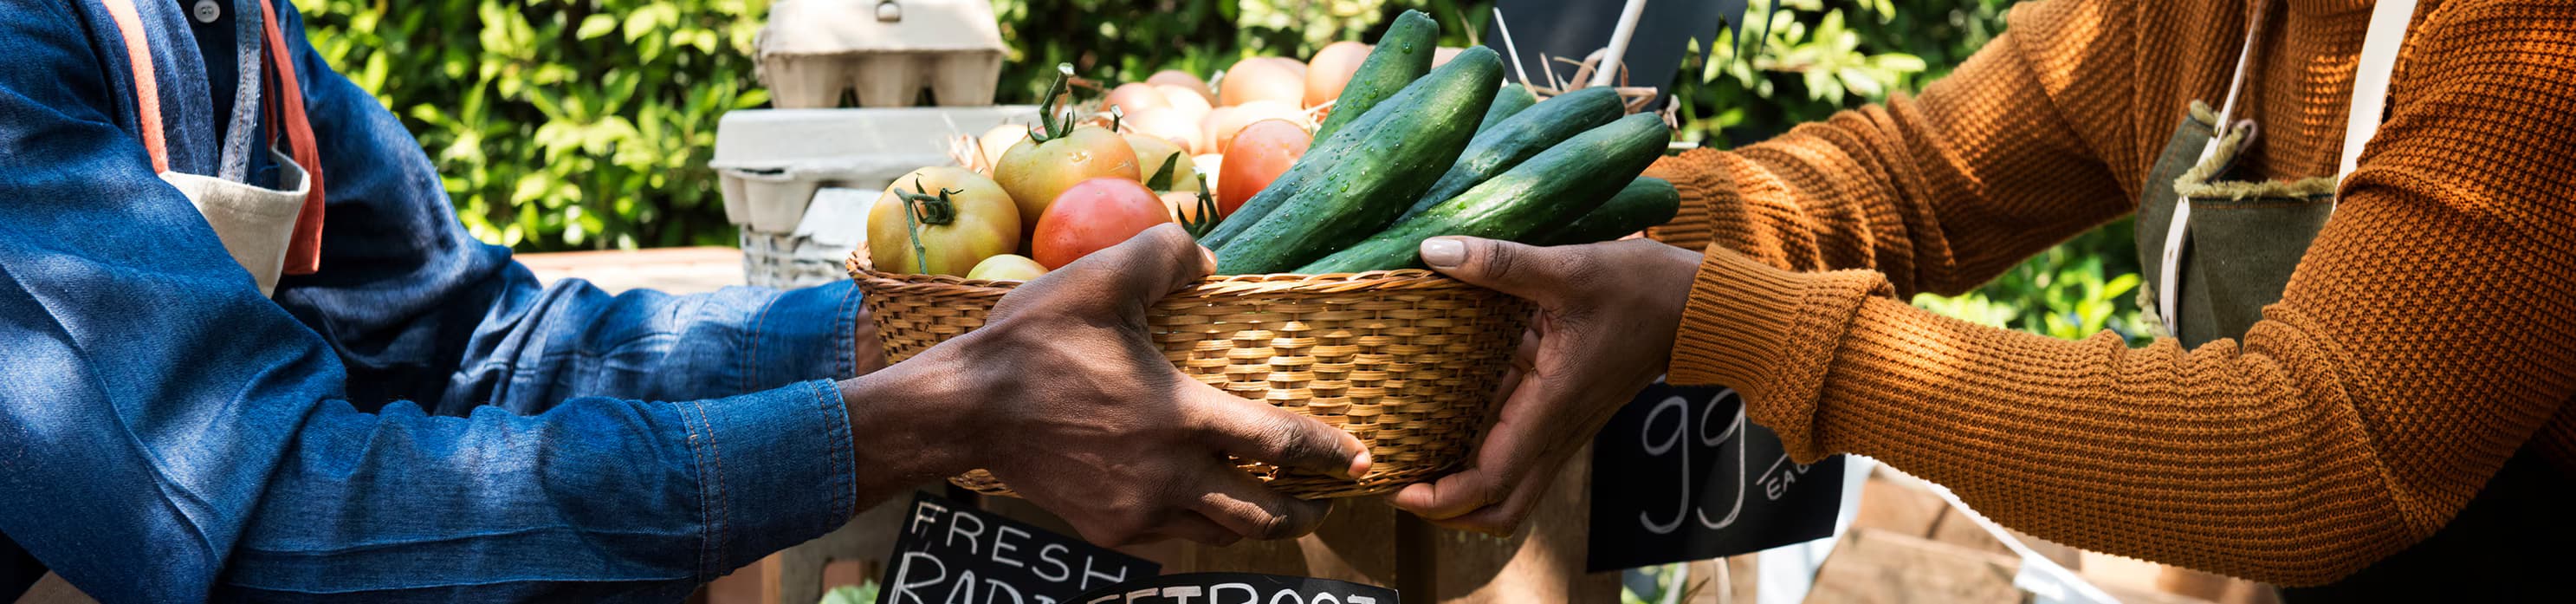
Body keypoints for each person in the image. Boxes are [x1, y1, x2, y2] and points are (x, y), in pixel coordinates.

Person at [0, 0, 1366, 601]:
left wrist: (930, 330)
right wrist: (937, 409)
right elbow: (274, 526)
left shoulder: (225, 29)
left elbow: (478, 340)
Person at [1391, 0, 2576, 597]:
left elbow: (2308, 451)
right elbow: (1897, 180)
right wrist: (1536, 213)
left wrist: (1711, 316)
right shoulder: (2174, 17)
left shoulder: (2526, 42)